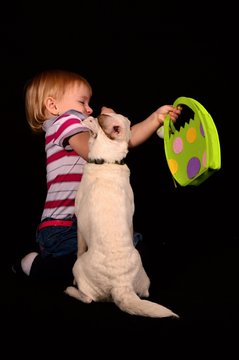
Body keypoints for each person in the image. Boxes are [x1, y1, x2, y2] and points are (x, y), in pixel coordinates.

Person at [12, 69, 181, 290]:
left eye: (89, 102)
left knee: (133, 254)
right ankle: (35, 266)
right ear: (53, 106)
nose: (89, 109)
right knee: (80, 269)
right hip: (63, 227)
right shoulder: (64, 122)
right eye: (82, 102)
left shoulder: (82, 127)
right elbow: (94, 151)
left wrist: (155, 119)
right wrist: (110, 125)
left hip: (91, 224)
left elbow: (124, 142)